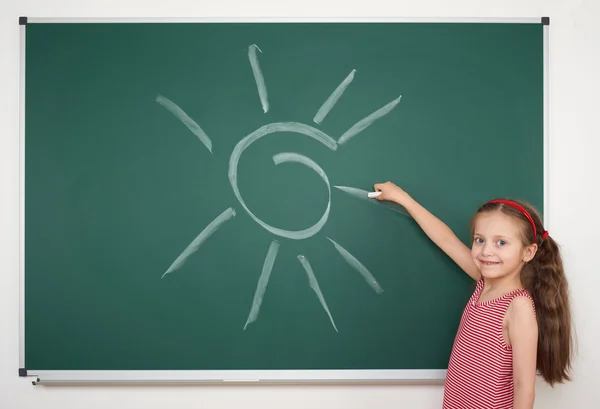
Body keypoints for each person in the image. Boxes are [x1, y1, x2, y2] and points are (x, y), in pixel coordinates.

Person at [373, 181, 573, 409]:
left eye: (501, 243)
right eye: (480, 240)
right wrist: (403, 198)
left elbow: (523, 387)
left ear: (528, 252)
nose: (487, 251)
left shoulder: (518, 306)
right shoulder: (483, 282)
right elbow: (446, 240)